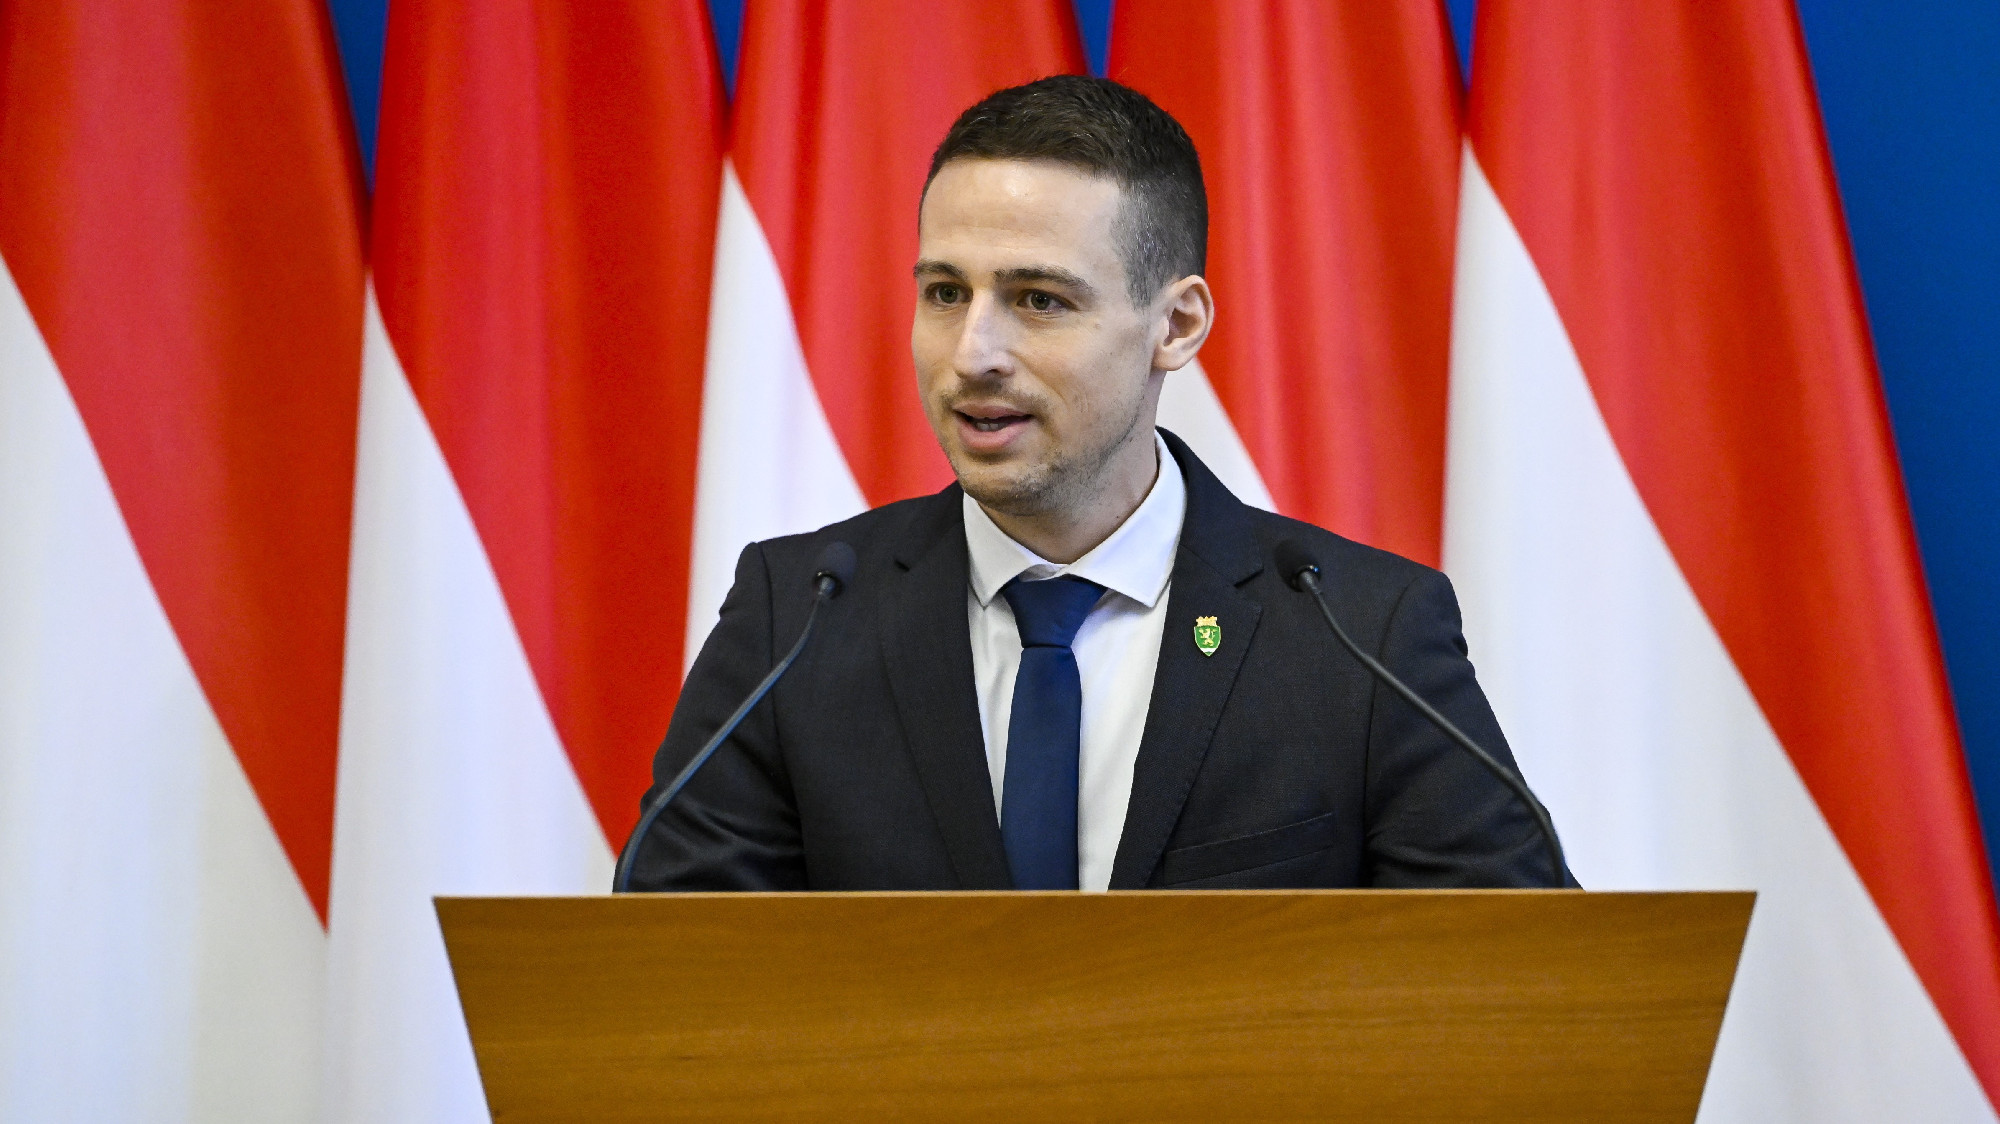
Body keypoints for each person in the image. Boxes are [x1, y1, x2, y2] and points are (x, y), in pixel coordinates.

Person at [623, 75, 1567, 892]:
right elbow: (667, 977)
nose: (972, 353)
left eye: (1039, 300)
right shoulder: (799, 618)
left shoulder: (1358, 635)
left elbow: (1521, 982)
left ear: (1177, 326)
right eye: (946, 293)